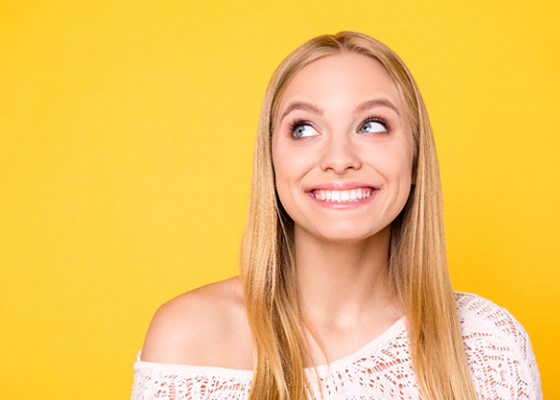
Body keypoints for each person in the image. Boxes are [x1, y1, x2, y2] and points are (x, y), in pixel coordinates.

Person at [131, 31, 542, 400]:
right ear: (271, 161)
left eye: (373, 125)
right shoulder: (189, 339)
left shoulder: (489, 343)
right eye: (304, 128)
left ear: (416, 160)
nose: (340, 160)